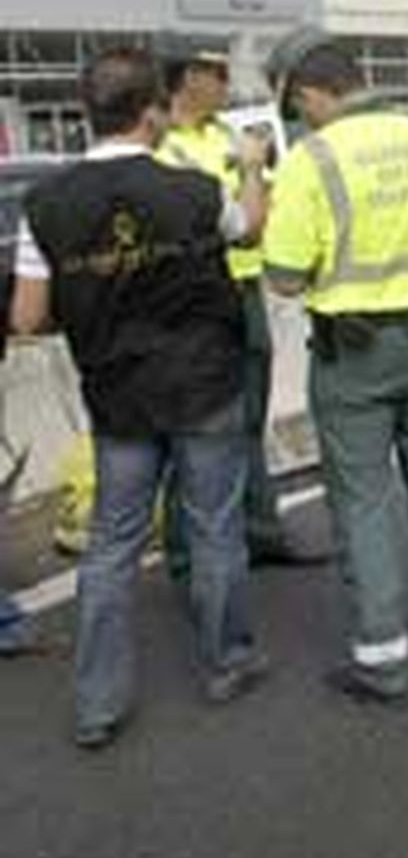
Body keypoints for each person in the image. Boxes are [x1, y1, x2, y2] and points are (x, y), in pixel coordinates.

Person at [10, 47, 271, 749]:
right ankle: (229, 662)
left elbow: (28, 318)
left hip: (119, 399)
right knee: (215, 528)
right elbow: (250, 228)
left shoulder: (46, 205)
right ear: (154, 111)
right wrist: (250, 166)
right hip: (205, 386)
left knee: (111, 545)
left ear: (88, 113)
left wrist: (94, 303)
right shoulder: (189, 190)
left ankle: (96, 704)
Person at [262, 30, 408, 704]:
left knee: (361, 502)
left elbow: (283, 277)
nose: (300, 120)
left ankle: (382, 660)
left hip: (353, 357)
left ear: (308, 94)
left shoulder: (310, 160)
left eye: (297, 109)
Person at [156, 37, 327, 570]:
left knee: (251, 420)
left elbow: (266, 204)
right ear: (189, 78)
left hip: (245, 292)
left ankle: (261, 531)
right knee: (193, 427)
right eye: (218, 74)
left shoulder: (231, 134)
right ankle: (185, 551)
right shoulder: (159, 146)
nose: (228, 84)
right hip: (193, 302)